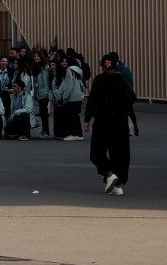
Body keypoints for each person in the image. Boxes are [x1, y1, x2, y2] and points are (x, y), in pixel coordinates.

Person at [85, 53, 139, 196]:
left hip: (102, 121)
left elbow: (92, 100)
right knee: (120, 154)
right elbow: (132, 97)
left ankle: (109, 175)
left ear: (102, 66)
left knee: (96, 152)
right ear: (116, 66)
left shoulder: (98, 80)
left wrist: (87, 119)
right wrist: (122, 108)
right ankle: (118, 184)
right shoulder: (121, 79)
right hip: (119, 122)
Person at [54, 58, 86, 141]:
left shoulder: (69, 71)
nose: (65, 63)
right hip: (78, 96)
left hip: (72, 97)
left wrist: (65, 97)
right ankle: (77, 134)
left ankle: (76, 134)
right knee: (76, 116)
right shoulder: (79, 71)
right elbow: (81, 84)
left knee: (72, 117)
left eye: (66, 61)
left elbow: (68, 85)